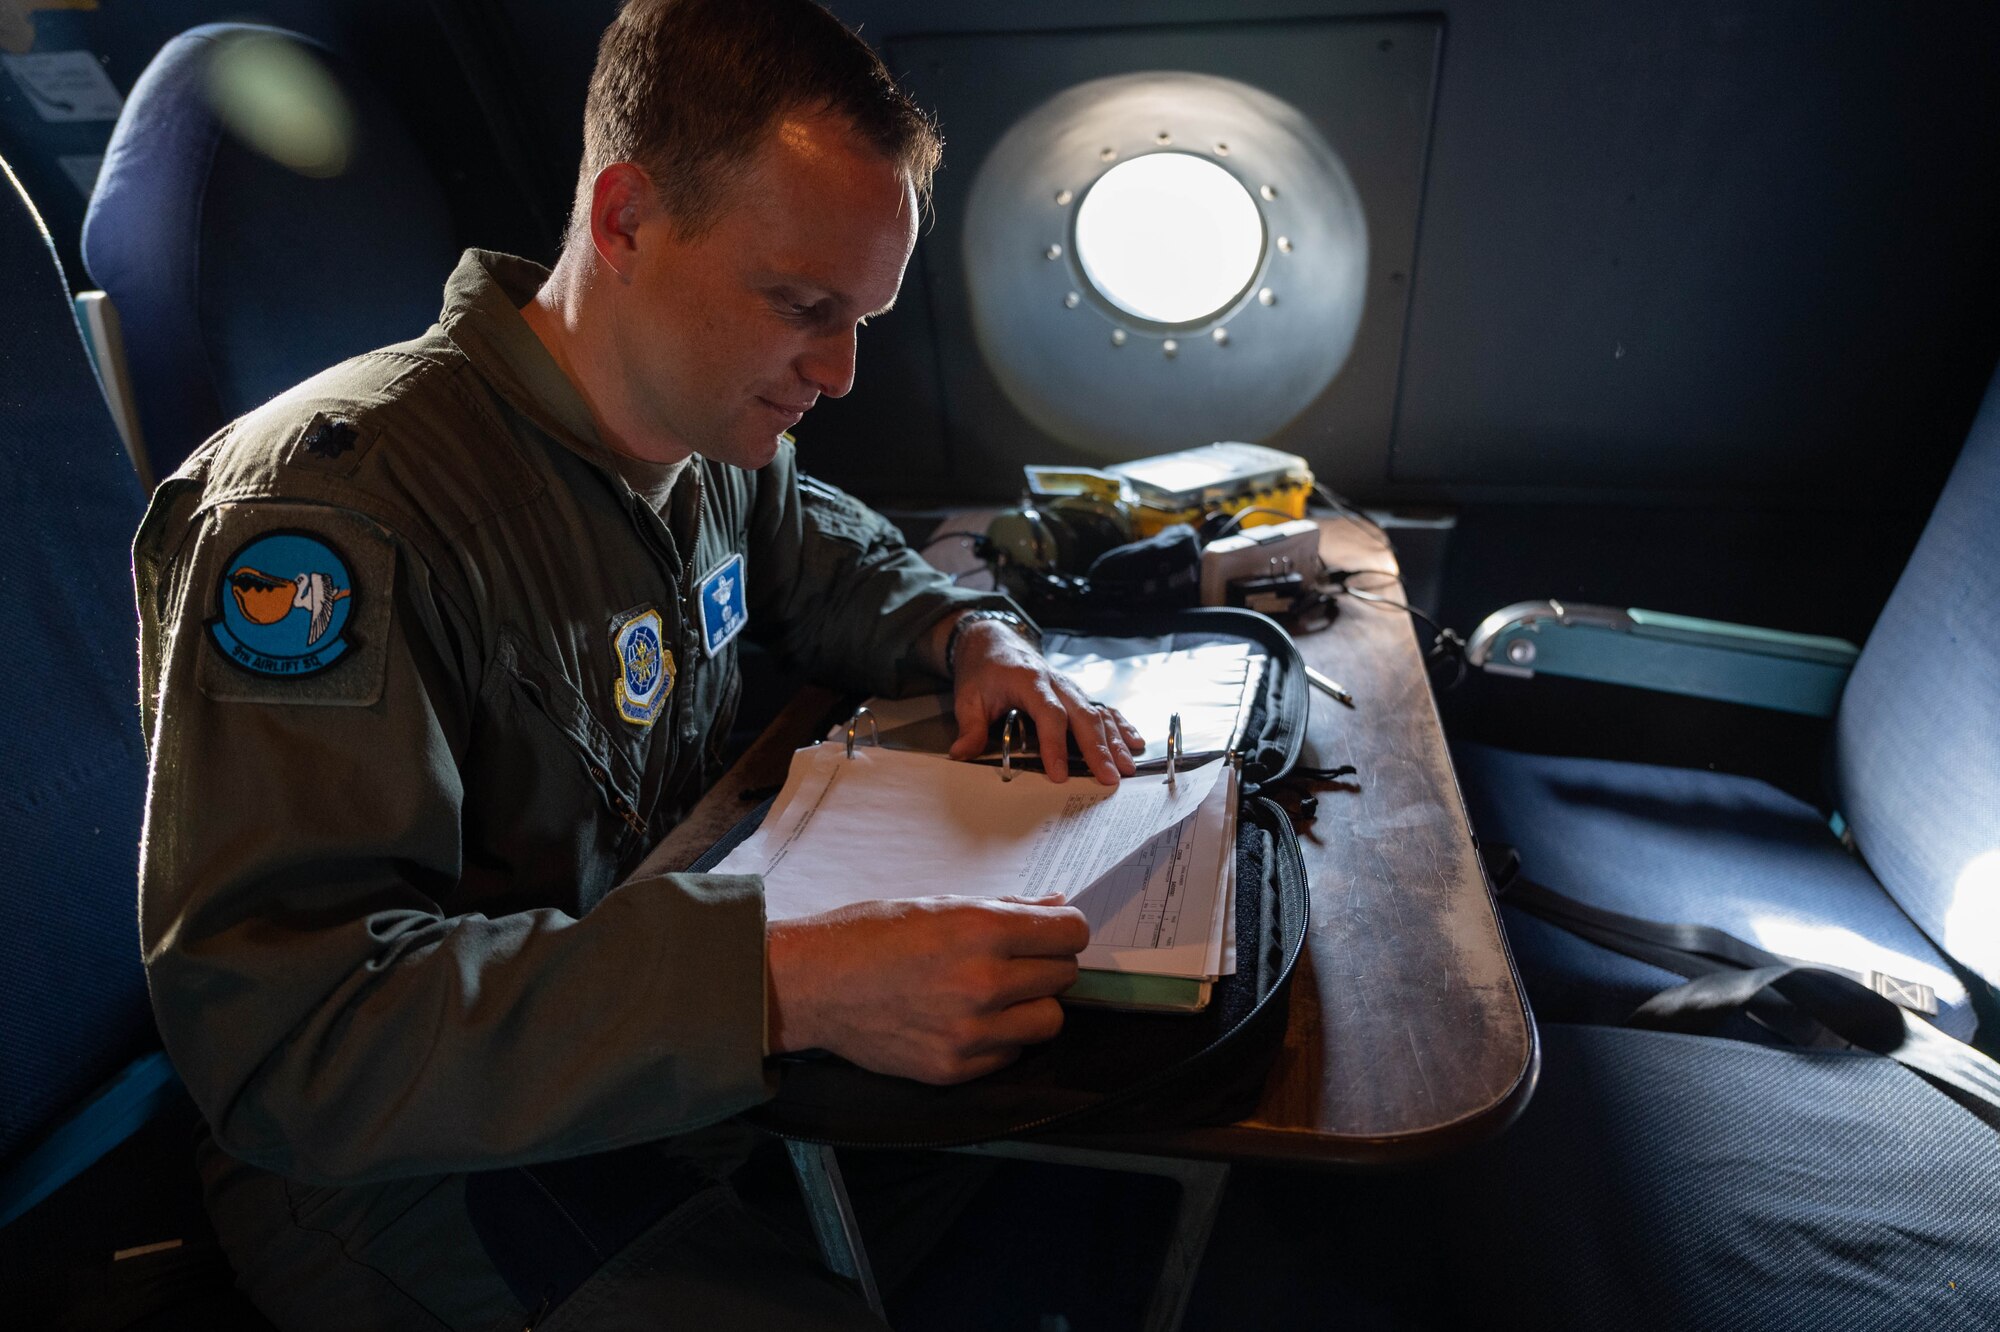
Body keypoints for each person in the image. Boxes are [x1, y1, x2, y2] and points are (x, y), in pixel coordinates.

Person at [131, 1, 1142, 1325]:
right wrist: (783, 982)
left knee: (1092, 1194)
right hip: (417, 1164)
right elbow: (300, 1045)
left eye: (864, 319)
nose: (838, 372)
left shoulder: (703, 437)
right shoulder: (331, 522)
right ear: (623, 223)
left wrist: (972, 637)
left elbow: (819, 554)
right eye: (804, 307)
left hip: (666, 1055)